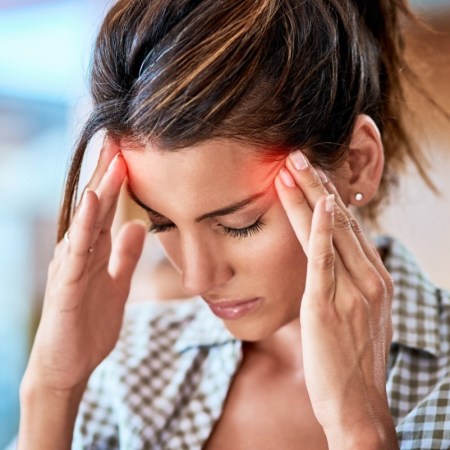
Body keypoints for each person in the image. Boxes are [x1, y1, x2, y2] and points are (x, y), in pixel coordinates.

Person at [15, 0, 450, 449]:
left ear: (357, 163)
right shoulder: (131, 370)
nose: (195, 280)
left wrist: (359, 430)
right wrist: (51, 391)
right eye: (162, 223)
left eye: (240, 224)